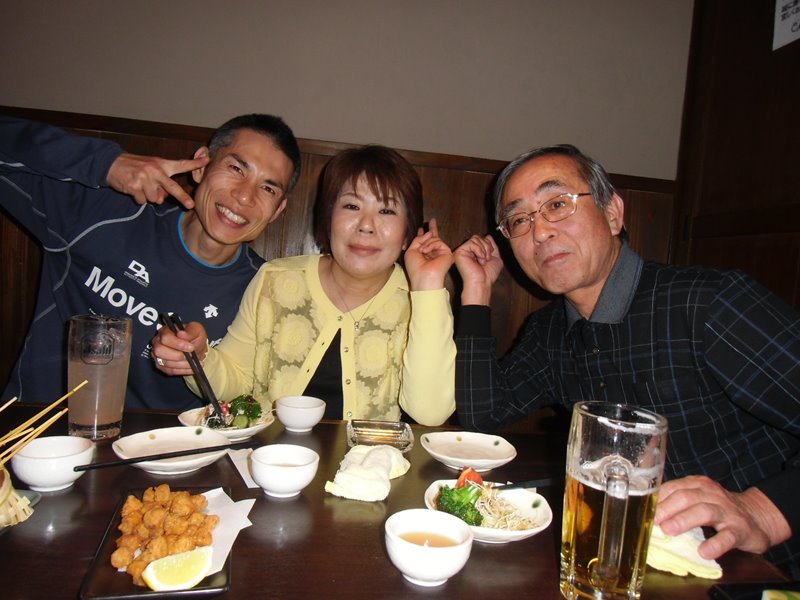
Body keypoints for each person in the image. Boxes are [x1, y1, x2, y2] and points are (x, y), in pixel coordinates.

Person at [452, 144, 800, 574]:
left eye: (557, 204)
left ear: (613, 213)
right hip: (634, 569)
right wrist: (476, 292)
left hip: (765, 569)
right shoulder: (549, 332)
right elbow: (483, 413)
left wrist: (764, 511)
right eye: (519, 220)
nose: (539, 232)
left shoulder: (707, 303)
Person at [0, 113, 301, 411]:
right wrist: (105, 163)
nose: (245, 196)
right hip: (36, 431)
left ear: (278, 210)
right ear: (201, 165)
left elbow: (249, 397)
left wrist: (204, 359)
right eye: (236, 168)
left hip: (168, 442)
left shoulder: (263, 291)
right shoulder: (103, 214)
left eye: (268, 188)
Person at [152, 145, 456, 426]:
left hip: (370, 465)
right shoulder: (275, 280)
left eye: (387, 211)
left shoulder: (422, 299)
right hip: (269, 457)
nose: (366, 225)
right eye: (351, 206)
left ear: (407, 233)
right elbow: (238, 380)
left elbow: (429, 413)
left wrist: (428, 285)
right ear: (328, 219)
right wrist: (198, 357)